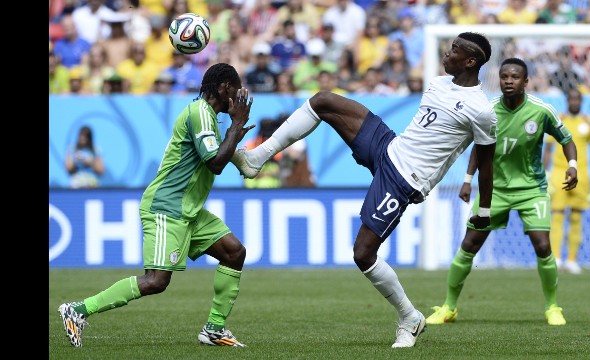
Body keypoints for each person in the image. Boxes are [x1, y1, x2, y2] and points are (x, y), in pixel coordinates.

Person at [231, 32, 498, 348]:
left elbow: (486, 160)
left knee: (362, 253)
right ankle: (256, 159)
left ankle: (409, 318)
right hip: (388, 146)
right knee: (323, 100)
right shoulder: (439, 83)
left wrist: (484, 210)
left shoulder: (481, 110)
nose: (447, 52)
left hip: (404, 180)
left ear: (470, 61)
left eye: (455, 49)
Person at [58, 63, 255, 348]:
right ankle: (78, 310)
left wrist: (235, 135)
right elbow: (214, 163)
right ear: (224, 87)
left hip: (189, 209)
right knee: (156, 281)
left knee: (234, 252)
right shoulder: (199, 112)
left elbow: (217, 158)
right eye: (235, 91)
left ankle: (214, 329)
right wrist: (236, 127)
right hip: (167, 206)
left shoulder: (208, 115)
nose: (238, 98)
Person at [425, 58, 578, 327]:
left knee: (543, 246)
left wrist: (573, 166)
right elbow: (478, 147)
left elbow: (566, 140)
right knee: (469, 244)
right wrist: (467, 180)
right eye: (505, 76)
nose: (509, 81)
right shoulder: (489, 110)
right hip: (492, 191)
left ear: (525, 82)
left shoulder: (542, 111)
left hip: (532, 190)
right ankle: (448, 307)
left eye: (515, 77)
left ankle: (553, 306)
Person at [543, 88, 590, 274]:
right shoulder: (558, 121)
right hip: (558, 173)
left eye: (577, 99)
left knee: (576, 216)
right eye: (571, 99)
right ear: (567, 101)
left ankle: (572, 260)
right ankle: (556, 258)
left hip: (582, 175)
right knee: (557, 216)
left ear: (581, 101)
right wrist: (545, 173)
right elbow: (548, 149)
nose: (574, 102)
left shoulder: (587, 123)